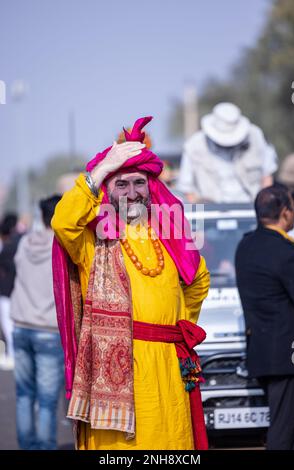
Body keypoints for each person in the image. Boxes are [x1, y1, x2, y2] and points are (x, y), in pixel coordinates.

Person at [51, 116, 210, 450]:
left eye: (139, 183)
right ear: (108, 189)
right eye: (121, 184)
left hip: (167, 368)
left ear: (150, 186)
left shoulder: (169, 233)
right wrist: (105, 166)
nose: (133, 193)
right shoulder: (92, 239)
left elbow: (197, 280)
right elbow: (63, 222)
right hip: (116, 374)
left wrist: (177, 325)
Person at [235, 183, 294, 450]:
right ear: (285, 213)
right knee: (284, 428)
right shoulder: (287, 253)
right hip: (289, 357)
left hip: (263, 353)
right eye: (293, 208)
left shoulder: (246, 246)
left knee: (293, 426)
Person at [10, 195, 64, 450]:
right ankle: (44, 446)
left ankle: (26, 445)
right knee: (46, 399)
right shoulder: (62, 244)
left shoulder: (25, 242)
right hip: (48, 331)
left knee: (23, 395)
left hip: (20, 326)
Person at [177, 102, 278, 203]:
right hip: (210, 211)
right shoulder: (194, 145)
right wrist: (202, 213)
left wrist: (263, 206)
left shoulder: (256, 137)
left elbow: (267, 176)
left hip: (251, 207)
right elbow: (187, 188)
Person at [0, 213, 22, 369]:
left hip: (6, 291)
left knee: (8, 326)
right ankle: (13, 355)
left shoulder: (7, 247)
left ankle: (12, 355)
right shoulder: (19, 243)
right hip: (15, 290)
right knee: (12, 325)